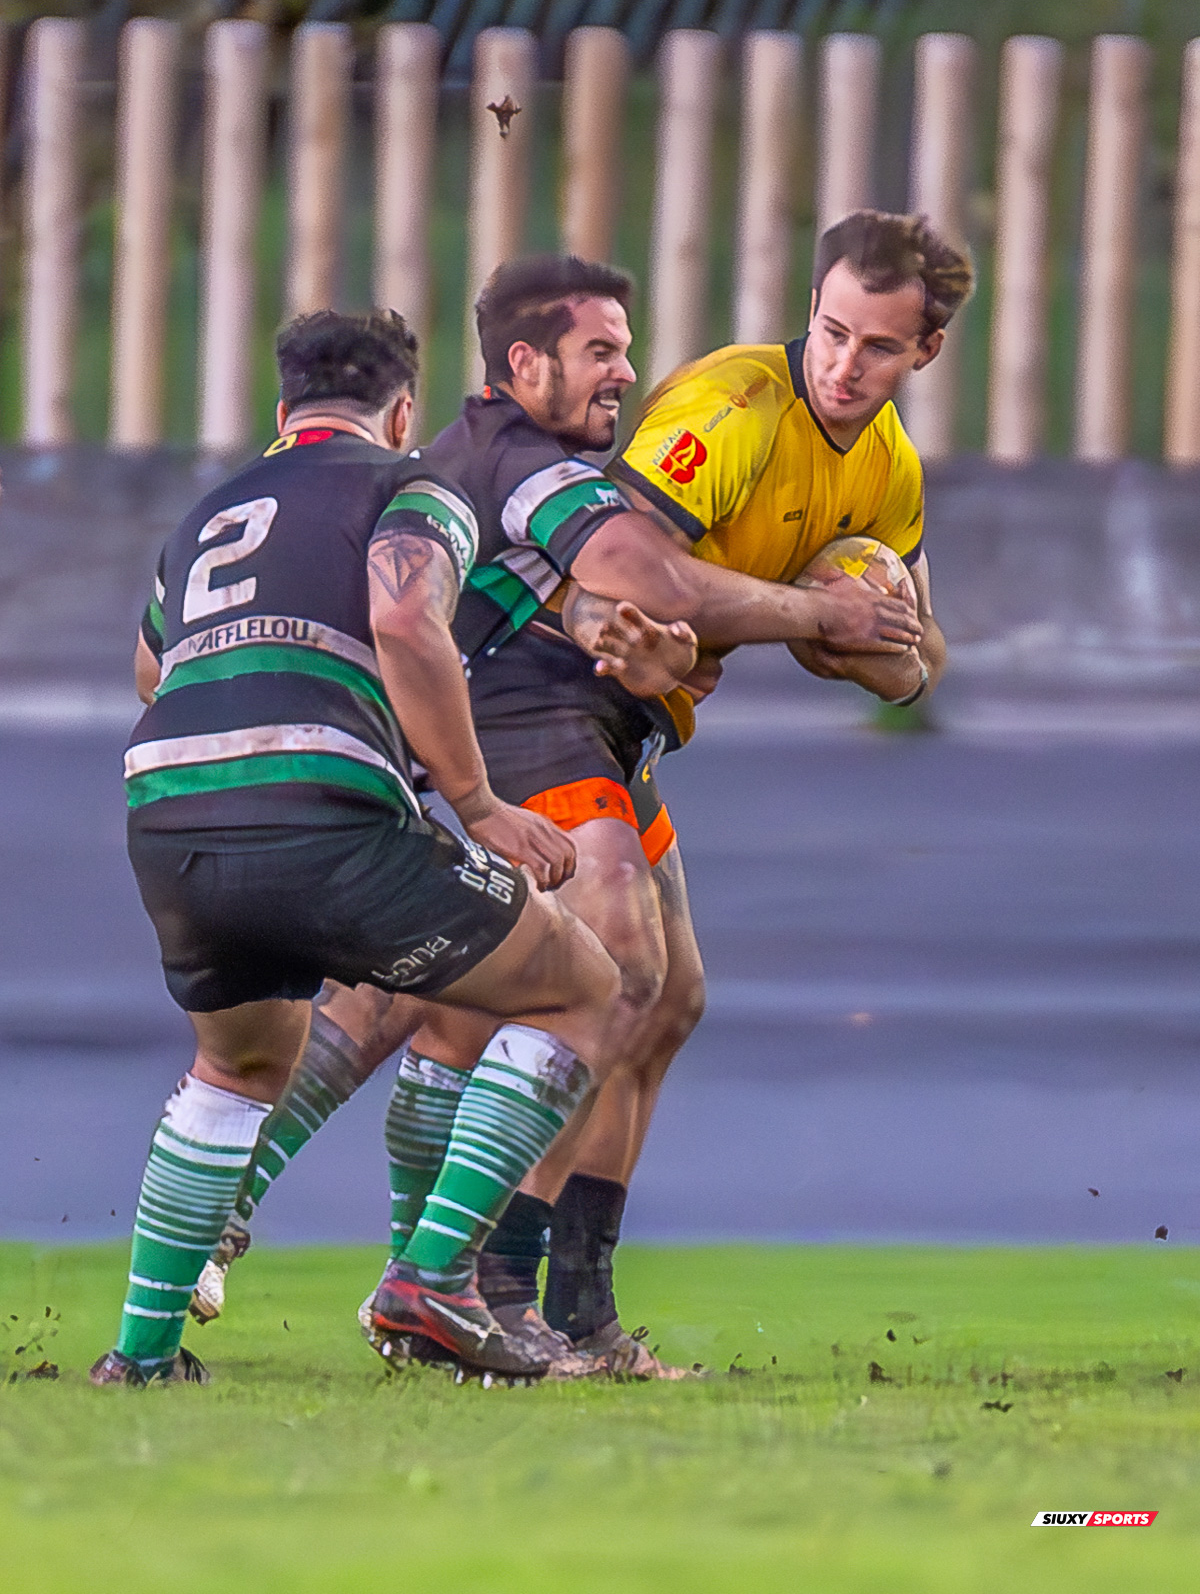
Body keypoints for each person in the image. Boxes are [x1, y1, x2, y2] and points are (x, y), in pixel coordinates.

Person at [195, 222, 947, 1373]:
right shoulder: (732, 411)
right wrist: (809, 617)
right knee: (586, 977)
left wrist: (865, 634)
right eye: (832, 330)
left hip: (615, 717)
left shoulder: (887, 467)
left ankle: (550, 1302)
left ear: (926, 351)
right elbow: (620, 572)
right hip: (540, 692)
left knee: (613, 996)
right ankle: (474, 1283)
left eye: (879, 347)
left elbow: (913, 663)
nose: (844, 364)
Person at [88, 308, 672, 1387]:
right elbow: (408, 624)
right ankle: (434, 1278)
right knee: (587, 984)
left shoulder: (206, 514)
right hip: (314, 803)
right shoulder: (409, 487)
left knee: (237, 1065)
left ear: (282, 412)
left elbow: (148, 670)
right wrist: (479, 804)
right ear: (404, 410)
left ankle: (142, 1355)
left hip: (167, 817)